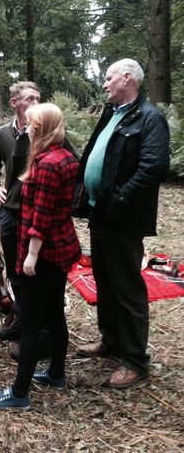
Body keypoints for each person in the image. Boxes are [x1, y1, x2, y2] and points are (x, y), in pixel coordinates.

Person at [74, 58, 170, 389]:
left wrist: (119, 200)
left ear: (127, 78)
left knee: (127, 287)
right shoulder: (112, 113)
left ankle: (135, 361)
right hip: (100, 214)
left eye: (109, 78)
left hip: (124, 218)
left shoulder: (150, 118)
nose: (104, 84)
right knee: (104, 279)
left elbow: (154, 167)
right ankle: (111, 340)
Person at [0, 103, 81, 410]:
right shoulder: (62, 156)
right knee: (54, 314)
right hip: (61, 249)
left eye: (32, 125)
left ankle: (19, 393)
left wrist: (31, 257)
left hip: (46, 254)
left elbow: (41, 218)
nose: (27, 129)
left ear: (43, 128)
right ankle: (55, 374)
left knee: (30, 322)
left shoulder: (49, 164)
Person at [0, 81, 41, 342]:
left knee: (35, 269)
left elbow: (72, 163)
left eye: (38, 99)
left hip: (36, 214)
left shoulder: (46, 132)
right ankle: (20, 317)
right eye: (30, 99)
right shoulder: (1, 134)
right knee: (14, 268)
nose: (35, 104)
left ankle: (36, 327)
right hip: (10, 211)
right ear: (14, 103)